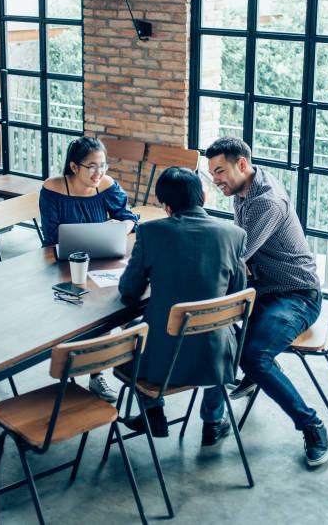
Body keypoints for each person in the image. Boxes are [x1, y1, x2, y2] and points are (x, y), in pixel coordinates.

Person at [205, 136, 328, 466]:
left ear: (242, 165)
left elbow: (237, 254)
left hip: (297, 295)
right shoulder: (244, 190)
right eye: (212, 173)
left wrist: (234, 260)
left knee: (254, 357)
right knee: (218, 332)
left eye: (220, 171)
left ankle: (312, 425)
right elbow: (239, 253)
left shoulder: (265, 201)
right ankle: (213, 420)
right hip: (263, 289)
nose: (215, 180)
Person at [118, 166, 247, 446]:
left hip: (161, 361)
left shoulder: (150, 233)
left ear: (165, 206)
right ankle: (212, 422)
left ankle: (154, 412)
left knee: (129, 337)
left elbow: (129, 290)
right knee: (222, 331)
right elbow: (236, 294)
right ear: (202, 196)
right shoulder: (233, 235)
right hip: (216, 358)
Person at [39, 136, 138, 402]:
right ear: (74, 167)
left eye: (103, 165)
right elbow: (50, 239)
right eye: (92, 166)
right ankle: (96, 370)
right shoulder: (52, 188)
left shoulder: (105, 185)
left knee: (117, 303)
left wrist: (118, 229)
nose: (99, 172)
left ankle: (105, 370)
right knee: (97, 308)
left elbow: (128, 217)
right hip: (63, 264)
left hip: (103, 259)